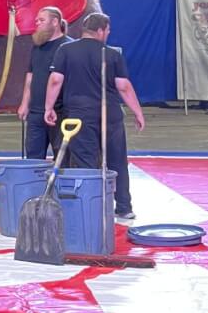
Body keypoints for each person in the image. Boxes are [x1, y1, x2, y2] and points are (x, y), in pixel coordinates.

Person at [44, 13, 146, 221]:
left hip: (79, 116)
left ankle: (91, 206)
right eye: (107, 31)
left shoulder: (65, 50)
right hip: (110, 115)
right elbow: (124, 87)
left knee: (85, 161)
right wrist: (138, 112)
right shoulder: (112, 54)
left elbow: (55, 81)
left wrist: (49, 107)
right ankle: (124, 207)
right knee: (118, 160)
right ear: (100, 30)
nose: (107, 34)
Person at [18, 6, 74, 160]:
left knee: (63, 159)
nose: (37, 23)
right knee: (33, 158)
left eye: (41, 20)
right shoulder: (37, 47)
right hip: (36, 112)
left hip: (60, 113)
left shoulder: (69, 47)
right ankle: (34, 184)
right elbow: (30, 76)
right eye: (37, 20)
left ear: (55, 22)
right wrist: (24, 103)